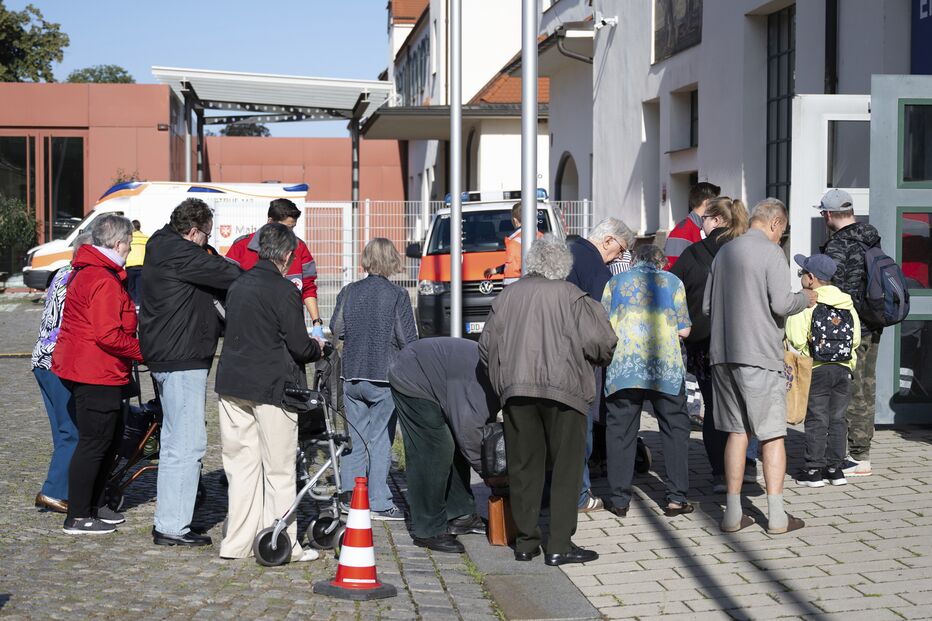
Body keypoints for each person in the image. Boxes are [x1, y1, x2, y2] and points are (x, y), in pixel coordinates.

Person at [479, 235, 616, 566]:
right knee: (566, 469)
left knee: (524, 466)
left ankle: (525, 543)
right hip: (565, 392)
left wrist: (503, 381)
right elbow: (603, 342)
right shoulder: (573, 297)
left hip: (516, 392)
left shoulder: (507, 296)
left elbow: (486, 347)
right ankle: (559, 544)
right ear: (563, 266)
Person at [703, 198, 816, 535]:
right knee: (772, 435)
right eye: (782, 233)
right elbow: (782, 303)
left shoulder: (724, 252)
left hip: (723, 355)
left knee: (737, 433)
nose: (780, 239)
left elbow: (708, 307)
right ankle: (778, 517)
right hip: (760, 356)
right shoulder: (770, 253)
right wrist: (805, 299)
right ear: (776, 224)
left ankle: (733, 514)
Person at [215, 223, 325, 563]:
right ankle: (282, 543)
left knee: (240, 468)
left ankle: (237, 543)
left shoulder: (238, 285)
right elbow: (298, 345)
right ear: (288, 256)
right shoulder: (284, 291)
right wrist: (318, 347)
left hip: (233, 384)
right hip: (273, 386)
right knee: (278, 469)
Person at [140, 198, 242, 546]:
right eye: (207, 235)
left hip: (170, 355)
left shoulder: (161, 244)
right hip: (181, 358)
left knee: (174, 442)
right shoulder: (181, 253)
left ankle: (172, 520)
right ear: (194, 231)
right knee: (187, 444)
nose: (208, 242)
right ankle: (171, 527)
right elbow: (229, 274)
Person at [51, 215, 142, 535]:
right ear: (117, 244)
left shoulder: (94, 272)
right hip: (95, 371)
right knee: (95, 443)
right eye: (129, 244)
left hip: (99, 369)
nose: (130, 250)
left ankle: (95, 503)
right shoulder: (101, 278)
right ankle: (77, 515)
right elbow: (107, 335)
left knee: (110, 439)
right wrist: (143, 352)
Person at [602, 245, 693, 517]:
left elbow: (603, 324)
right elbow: (685, 330)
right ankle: (676, 497)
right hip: (664, 366)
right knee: (675, 428)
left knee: (620, 431)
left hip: (624, 367)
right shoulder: (673, 282)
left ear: (634, 262)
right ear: (661, 263)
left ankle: (619, 500)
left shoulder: (615, 282)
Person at [330, 238, 417, 520]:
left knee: (356, 439)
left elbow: (337, 328)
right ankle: (379, 502)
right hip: (383, 377)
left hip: (352, 374)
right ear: (392, 260)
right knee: (380, 440)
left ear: (366, 260)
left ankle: (348, 496)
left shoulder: (349, 291)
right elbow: (408, 339)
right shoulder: (397, 295)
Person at [388, 338, 499, 553]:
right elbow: (470, 434)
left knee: (455, 445)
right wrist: (489, 474)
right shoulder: (482, 384)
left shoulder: (496, 379)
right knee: (435, 450)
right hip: (412, 376)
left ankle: (461, 514)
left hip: (436, 375)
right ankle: (428, 529)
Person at [670, 197, 749, 493]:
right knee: (741, 404)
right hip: (742, 340)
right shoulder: (747, 250)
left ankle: (719, 472)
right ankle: (744, 465)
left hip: (703, 343)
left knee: (714, 406)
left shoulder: (692, 254)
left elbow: (672, 288)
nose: (700, 222)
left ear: (716, 220)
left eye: (704, 217)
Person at [566, 217, 635, 512]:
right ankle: (580, 495)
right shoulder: (595, 266)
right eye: (620, 250)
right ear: (607, 241)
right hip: (577, 357)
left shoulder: (570, 249)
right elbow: (603, 320)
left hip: (549, 351)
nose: (619, 257)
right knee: (581, 426)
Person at [817, 189, 881, 477]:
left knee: (849, 389)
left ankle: (853, 455)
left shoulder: (837, 246)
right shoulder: (872, 238)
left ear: (829, 215)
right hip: (873, 322)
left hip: (846, 328)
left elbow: (827, 290)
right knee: (866, 386)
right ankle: (863, 452)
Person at [786, 253, 861, 488]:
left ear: (811, 278)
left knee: (817, 417)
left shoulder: (807, 301)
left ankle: (813, 470)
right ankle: (835, 469)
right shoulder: (846, 302)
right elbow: (856, 339)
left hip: (816, 368)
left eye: (802, 273)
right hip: (843, 367)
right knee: (838, 418)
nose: (800, 277)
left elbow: (796, 338)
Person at [31, 232, 92, 514]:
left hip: (41, 357)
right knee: (72, 431)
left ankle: (62, 487)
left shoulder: (62, 272)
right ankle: (53, 492)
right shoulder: (79, 276)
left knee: (62, 430)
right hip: (58, 360)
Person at [225, 198, 323, 327]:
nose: (290, 233)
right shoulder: (242, 246)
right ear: (270, 222)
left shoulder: (300, 247)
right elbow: (227, 284)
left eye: (293, 227)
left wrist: (317, 322)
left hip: (289, 326)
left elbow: (308, 287)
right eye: (286, 228)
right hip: (249, 326)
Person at [664, 181, 721, 269]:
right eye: (716, 202)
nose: (718, 206)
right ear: (707, 202)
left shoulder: (700, 228)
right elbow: (673, 272)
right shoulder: (682, 231)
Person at [484, 202, 543, 284]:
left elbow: (513, 271)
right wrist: (497, 270)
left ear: (515, 220)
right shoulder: (541, 237)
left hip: (519, 290)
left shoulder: (514, 242)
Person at [125, 219, 147, 304]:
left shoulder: (128, 238)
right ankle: (138, 306)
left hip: (130, 266)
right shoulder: (146, 237)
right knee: (139, 289)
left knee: (130, 289)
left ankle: (132, 305)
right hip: (142, 266)